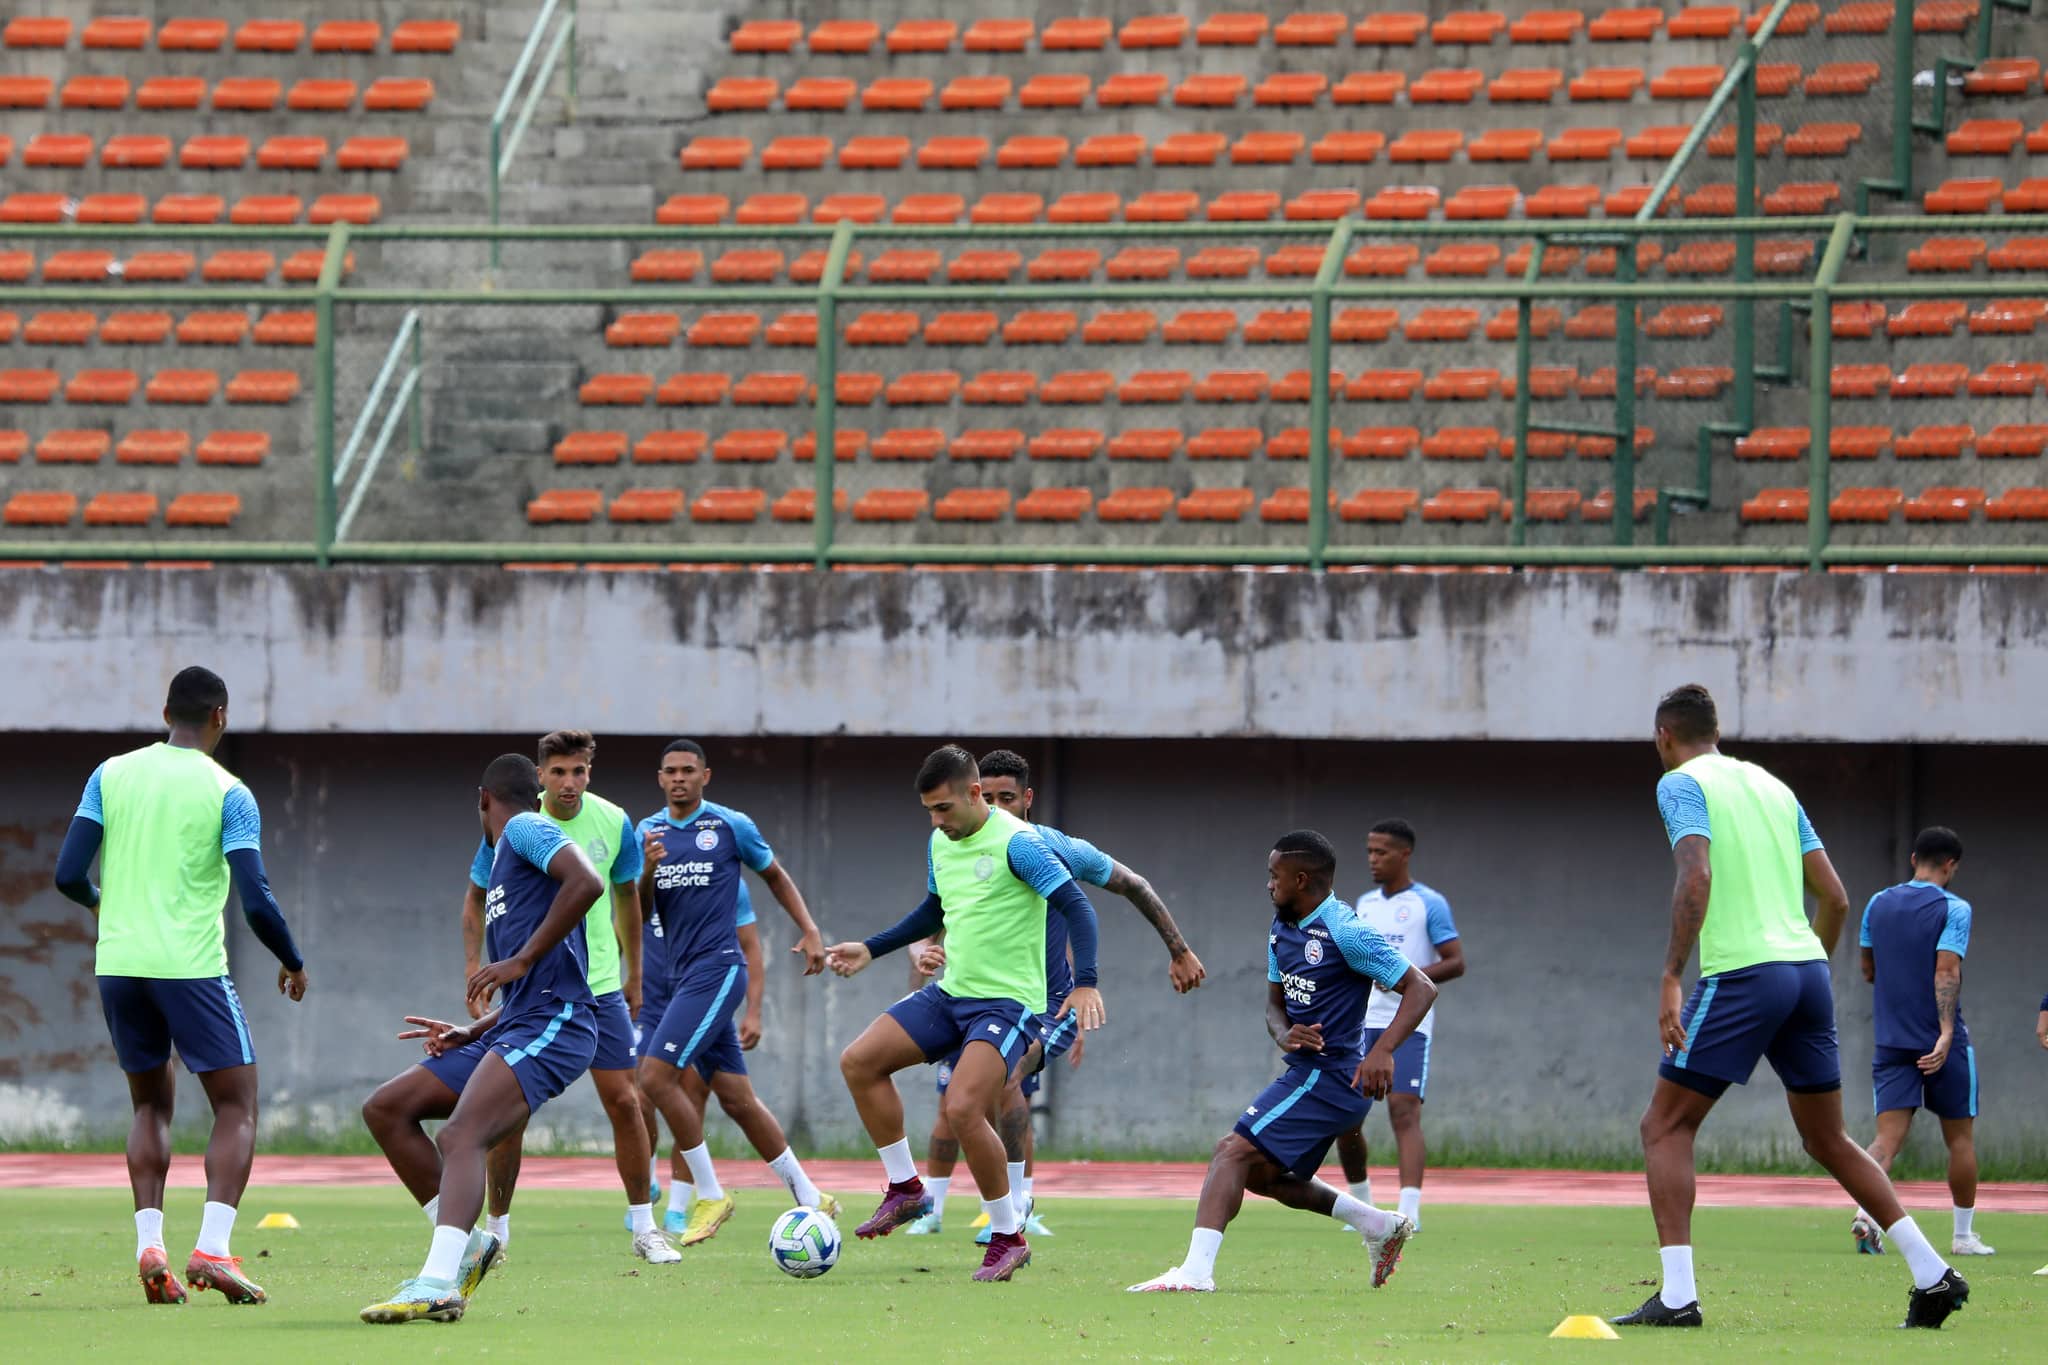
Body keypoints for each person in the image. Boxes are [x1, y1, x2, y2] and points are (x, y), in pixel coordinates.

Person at [1616, 684, 1966, 1330]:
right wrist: (1804, 967)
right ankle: (1932, 1271)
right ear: (1715, 728)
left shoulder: (1681, 782)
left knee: (1664, 1127)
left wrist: (1670, 974)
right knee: (1826, 1137)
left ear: (1665, 735)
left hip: (1745, 971)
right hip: (1806, 970)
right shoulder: (1775, 788)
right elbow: (1834, 896)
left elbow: (1696, 875)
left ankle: (1677, 1295)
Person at [54, 665, 309, 1307]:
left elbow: (66, 873)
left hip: (119, 965)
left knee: (149, 1105)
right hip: (190, 968)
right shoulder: (230, 792)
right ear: (220, 716)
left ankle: (152, 1244)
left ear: (166, 711)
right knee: (237, 1102)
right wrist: (291, 958)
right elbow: (256, 899)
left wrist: (99, 905)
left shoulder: (110, 774)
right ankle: (214, 1247)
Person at [827, 745, 1104, 1282]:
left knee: (962, 1108)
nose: (936, 821)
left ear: (974, 794)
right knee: (859, 1061)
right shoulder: (940, 841)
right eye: (929, 810)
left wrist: (1086, 984)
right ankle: (906, 1189)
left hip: (1009, 1004)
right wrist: (871, 947)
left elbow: (1079, 906)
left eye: (944, 809)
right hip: (952, 995)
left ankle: (1007, 1236)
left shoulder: (1019, 845)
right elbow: (934, 910)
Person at [908, 748, 1206, 1242]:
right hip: (978, 999)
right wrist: (922, 961)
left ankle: (1018, 1204)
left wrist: (1179, 949)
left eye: (1009, 797)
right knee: (956, 1101)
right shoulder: (960, 848)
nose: (999, 807)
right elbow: (939, 919)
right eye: (991, 796)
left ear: (1027, 799)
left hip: (1050, 1005)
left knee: (1007, 1082)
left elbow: (1133, 883)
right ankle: (938, 1208)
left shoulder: (1050, 847)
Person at [1128, 830, 1434, 1294]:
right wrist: (1283, 1033)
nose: (1268, 884)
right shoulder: (1282, 927)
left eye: (1275, 876)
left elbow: (1422, 988)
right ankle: (1377, 1224)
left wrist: (1383, 1050)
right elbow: (1274, 1008)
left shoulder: (1345, 931)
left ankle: (1194, 1274)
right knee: (1261, 1175)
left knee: (1230, 1151)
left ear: (1302, 878)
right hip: (1308, 1073)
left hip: (1332, 1078)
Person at [358, 754, 603, 1324]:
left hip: (558, 1023)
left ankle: (438, 1282)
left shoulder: (524, 827)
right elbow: (529, 981)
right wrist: (471, 1029)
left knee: (463, 1135)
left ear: (483, 798)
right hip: (519, 1022)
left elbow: (587, 882)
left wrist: (521, 957)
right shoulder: (500, 863)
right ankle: (467, 1248)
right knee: (388, 1109)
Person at [458, 731, 673, 1264]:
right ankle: (499, 1229)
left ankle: (645, 1227)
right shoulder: (517, 830)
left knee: (626, 1101)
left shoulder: (614, 820)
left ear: (589, 773)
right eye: (558, 772)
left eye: (579, 771)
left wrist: (634, 972)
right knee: (511, 1115)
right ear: (540, 778)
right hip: (539, 992)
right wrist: (476, 967)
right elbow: (478, 900)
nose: (570, 782)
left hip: (599, 985)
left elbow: (625, 896)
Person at [634, 739, 831, 1248]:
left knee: (655, 1077)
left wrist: (810, 930)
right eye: (670, 771)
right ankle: (810, 1196)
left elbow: (775, 876)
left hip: (718, 970)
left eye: (688, 771)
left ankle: (710, 1192)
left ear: (705, 776)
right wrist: (649, 870)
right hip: (681, 978)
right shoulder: (647, 832)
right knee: (738, 1099)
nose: (679, 778)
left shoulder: (728, 825)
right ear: (660, 778)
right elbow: (637, 913)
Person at [1851, 827, 1991, 1258]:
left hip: (1892, 1040)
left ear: (1914, 859)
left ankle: (1864, 1213)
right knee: (1960, 1140)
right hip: (1939, 1042)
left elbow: (1868, 969)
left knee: (1885, 1141)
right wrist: (1946, 1032)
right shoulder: (1955, 908)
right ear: (1951, 866)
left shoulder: (1876, 903)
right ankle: (1963, 1236)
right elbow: (1946, 971)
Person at [1332, 818, 1464, 1233]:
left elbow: (1455, 960)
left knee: (1403, 1111)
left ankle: (1410, 1211)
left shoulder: (1429, 904)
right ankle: (1363, 1208)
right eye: (1369, 852)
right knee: (1346, 1116)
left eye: (1382, 852)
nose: (1373, 859)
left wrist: (1402, 975)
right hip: (1361, 1021)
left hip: (1408, 1022)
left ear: (1404, 854)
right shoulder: (1364, 905)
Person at [631, 878, 767, 1235]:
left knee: (692, 1092)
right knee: (640, 1095)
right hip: (650, 1003)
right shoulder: (645, 881)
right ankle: (646, 1180)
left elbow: (750, 947)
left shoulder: (723, 885)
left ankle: (679, 1205)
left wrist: (753, 1010)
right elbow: (623, 933)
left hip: (695, 996)